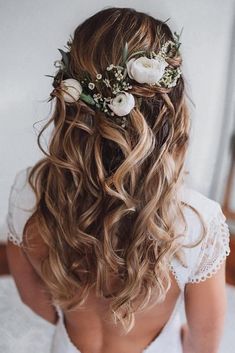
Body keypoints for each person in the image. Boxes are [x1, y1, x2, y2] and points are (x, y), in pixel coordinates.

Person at [5, 6, 231, 353]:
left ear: (69, 97)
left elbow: (37, 303)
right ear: (169, 108)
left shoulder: (29, 192)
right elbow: (204, 345)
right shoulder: (199, 223)